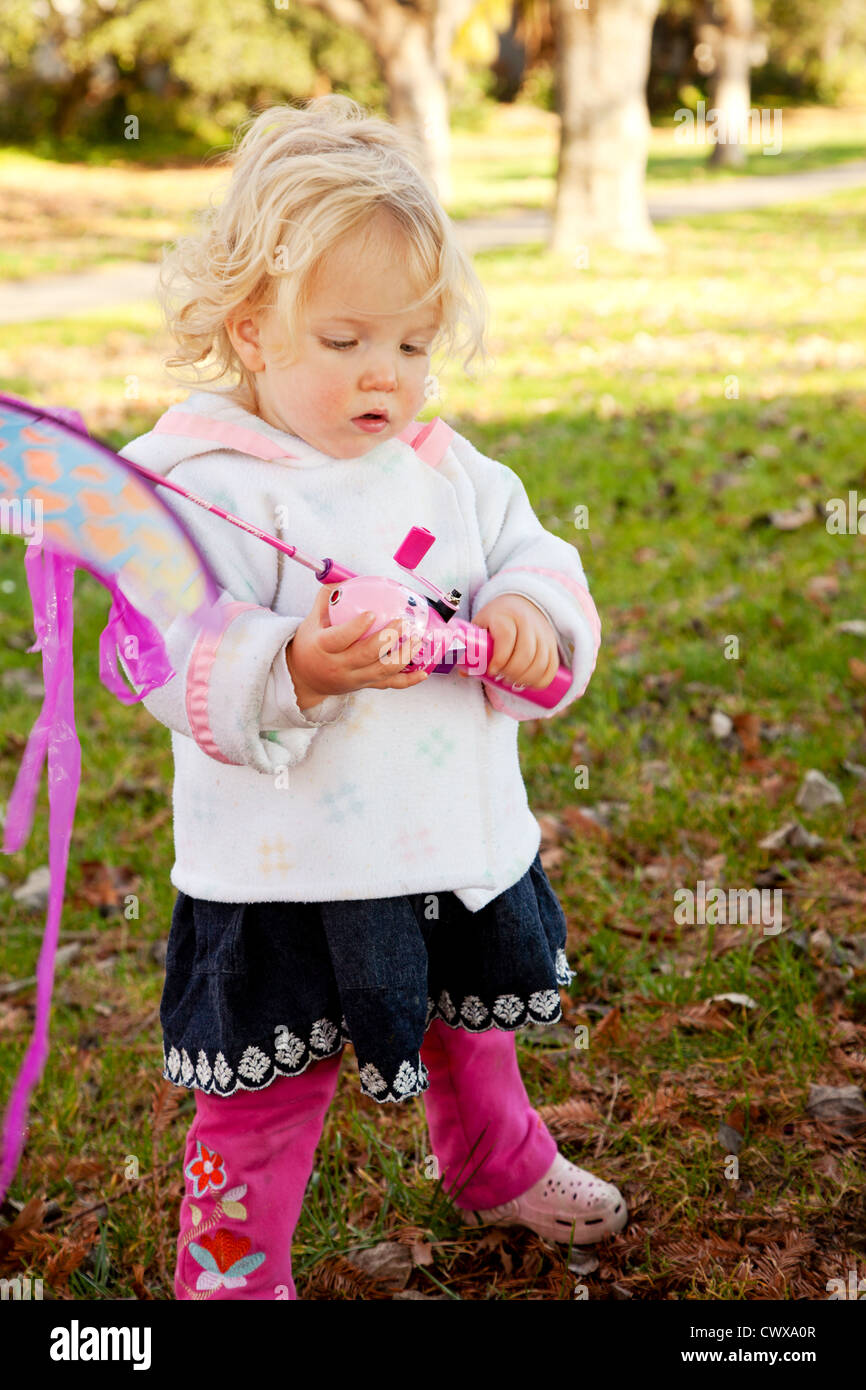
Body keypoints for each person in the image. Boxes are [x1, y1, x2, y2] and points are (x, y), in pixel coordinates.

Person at [119, 94, 627, 1301]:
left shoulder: (453, 474)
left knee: (475, 1029)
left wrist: (525, 621)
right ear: (250, 331)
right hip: (286, 862)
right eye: (344, 341)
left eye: (409, 343)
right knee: (261, 1092)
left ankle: (494, 1156)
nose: (383, 376)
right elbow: (151, 644)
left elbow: (539, 568)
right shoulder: (199, 487)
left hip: (445, 836)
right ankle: (233, 1271)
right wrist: (288, 667)